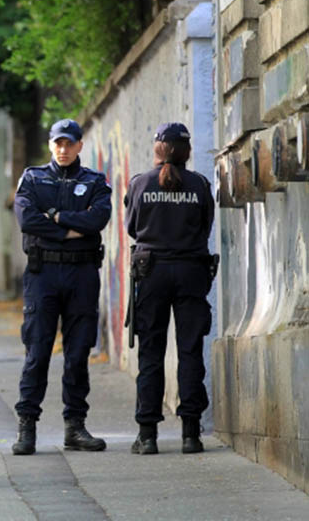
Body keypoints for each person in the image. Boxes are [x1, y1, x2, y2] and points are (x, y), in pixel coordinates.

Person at [11, 118, 112, 455]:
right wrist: (71, 228)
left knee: (78, 353)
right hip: (43, 274)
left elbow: (97, 220)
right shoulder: (34, 178)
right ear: (51, 145)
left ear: (80, 145)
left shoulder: (94, 181)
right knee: (37, 351)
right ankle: (27, 426)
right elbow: (27, 219)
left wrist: (54, 217)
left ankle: (75, 426)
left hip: (82, 273)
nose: (63, 149)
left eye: (70, 143)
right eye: (58, 143)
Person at [124, 122, 215, 455]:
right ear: (187, 151)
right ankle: (191, 433)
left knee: (151, 353)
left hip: (152, 273)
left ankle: (147, 435)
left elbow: (133, 227)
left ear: (159, 150)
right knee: (190, 351)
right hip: (192, 271)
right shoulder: (200, 184)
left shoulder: (140, 184)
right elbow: (206, 225)